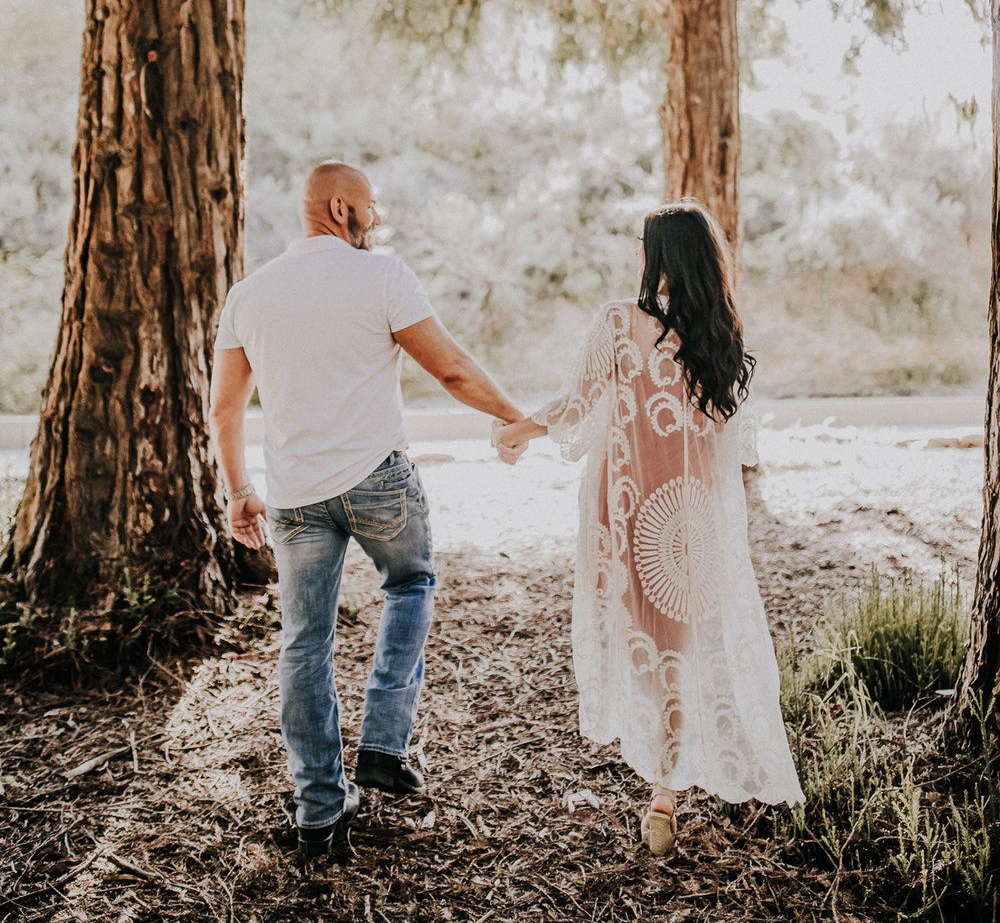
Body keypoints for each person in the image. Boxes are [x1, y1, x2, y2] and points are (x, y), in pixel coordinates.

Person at [210, 160, 524, 860]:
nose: (376, 218)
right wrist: (513, 414)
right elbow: (451, 370)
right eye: (372, 207)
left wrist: (238, 489)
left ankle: (319, 809)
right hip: (378, 480)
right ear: (342, 208)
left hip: (294, 497)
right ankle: (384, 742)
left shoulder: (249, 294)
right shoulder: (382, 276)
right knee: (411, 583)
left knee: (305, 640)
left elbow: (226, 404)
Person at [492, 200, 804, 855]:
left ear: (658, 256)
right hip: (689, 518)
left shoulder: (618, 322)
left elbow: (576, 405)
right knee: (677, 648)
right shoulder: (722, 340)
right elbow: (732, 450)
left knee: (647, 647)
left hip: (630, 508)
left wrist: (515, 430)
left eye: (645, 246)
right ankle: (664, 792)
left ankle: (663, 783)